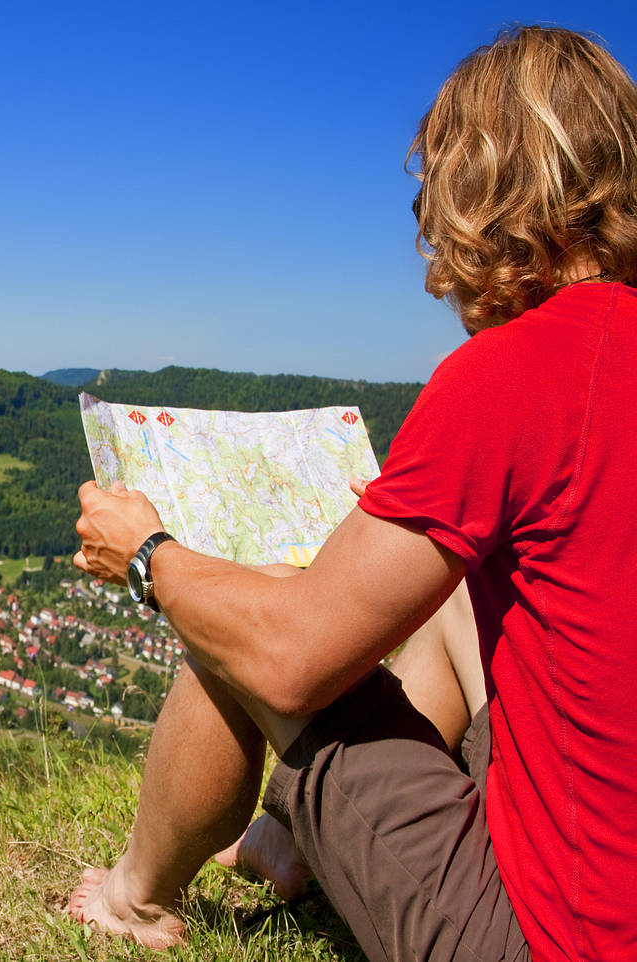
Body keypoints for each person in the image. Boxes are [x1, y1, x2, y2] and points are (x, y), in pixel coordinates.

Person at [69, 26, 637, 961]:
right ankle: (287, 844)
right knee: (457, 590)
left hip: (560, 939)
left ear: (477, 190)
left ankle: (132, 899)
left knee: (234, 622)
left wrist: (151, 559)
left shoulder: (516, 373)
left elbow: (287, 660)